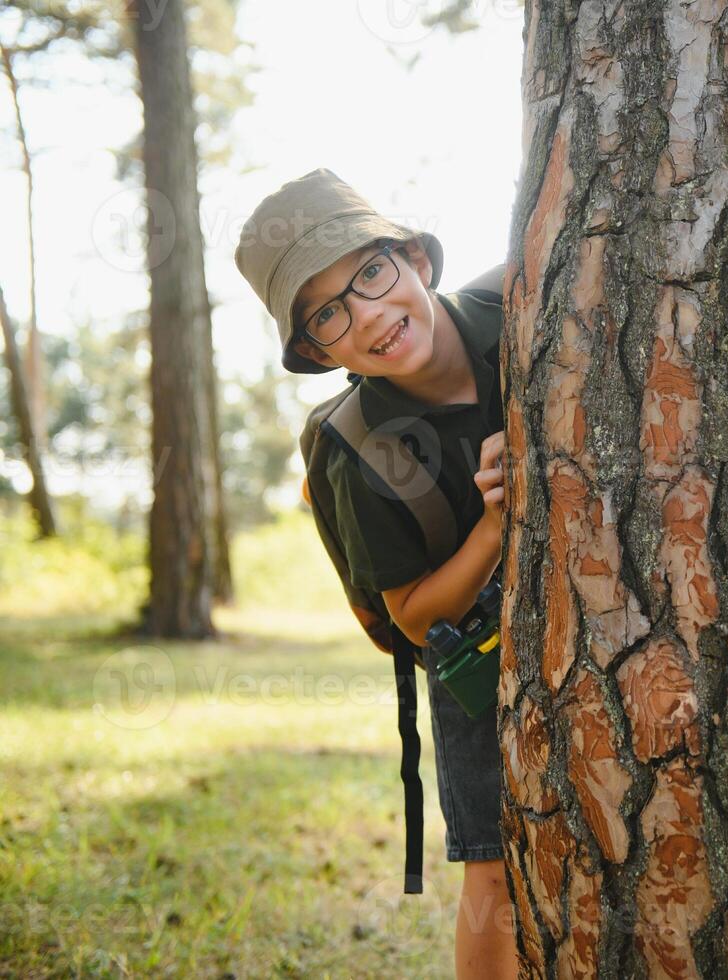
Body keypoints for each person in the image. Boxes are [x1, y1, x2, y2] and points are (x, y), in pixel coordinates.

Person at [235, 169, 515, 979]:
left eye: (370, 273)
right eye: (330, 312)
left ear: (415, 261)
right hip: (477, 647)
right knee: (495, 863)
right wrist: (494, 527)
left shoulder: (524, 300)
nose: (369, 315)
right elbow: (413, 620)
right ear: (318, 350)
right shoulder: (359, 451)